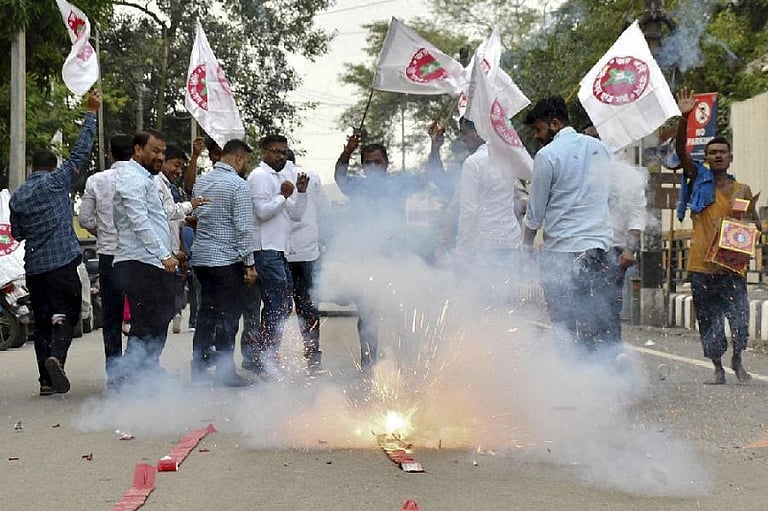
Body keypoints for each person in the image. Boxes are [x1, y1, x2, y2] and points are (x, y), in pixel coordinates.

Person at [10, 89, 101, 395]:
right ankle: (57, 358)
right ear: (51, 167)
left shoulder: (19, 196)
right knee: (68, 312)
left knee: (43, 322)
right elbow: (80, 153)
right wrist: (91, 113)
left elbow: (18, 234)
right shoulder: (57, 181)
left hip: (35, 270)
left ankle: (45, 381)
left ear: (31, 169)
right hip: (63, 265)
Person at [675, 88, 760, 384]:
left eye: (722, 152)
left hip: (732, 269)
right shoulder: (698, 180)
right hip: (701, 267)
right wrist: (685, 117)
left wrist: (747, 226)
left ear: (730, 157)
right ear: (707, 158)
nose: (718, 156)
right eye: (712, 153)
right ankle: (718, 368)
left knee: (739, 321)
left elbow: (756, 226)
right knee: (709, 322)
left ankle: (737, 360)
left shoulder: (742, 191)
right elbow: (681, 153)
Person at [522, 96, 615, 350]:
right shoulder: (601, 149)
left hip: (562, 254)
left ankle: (572, 378)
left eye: (538, 129)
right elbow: (612, 195)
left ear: (554, 124)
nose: (537, 136)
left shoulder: (547, 155)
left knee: (564, 325)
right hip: (599, 252)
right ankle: (603, 378)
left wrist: (527, 246)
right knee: (596, 322)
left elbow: (535, 213)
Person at [113, 129, 179, 380]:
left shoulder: (147, 179)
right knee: (146, 322)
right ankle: (130, 376)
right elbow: (139, 221)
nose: (160, 157)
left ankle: (147, 370)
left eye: (163, 152)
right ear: (138, 150)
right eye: (155, 151)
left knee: (160, 316)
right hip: (138, 262)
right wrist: (164, 255)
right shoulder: (131, 177)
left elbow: (160, 215)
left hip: (152, 262)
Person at [190, 139, 256, 386]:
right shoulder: (238, 186)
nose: (245, 166)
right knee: (229, 316)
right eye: (246, 161)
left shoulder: (202, 181)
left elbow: (195, 216)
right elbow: (243, 228)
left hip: (202, 260)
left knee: (206, 313)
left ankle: (199, 367)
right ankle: (225, 372)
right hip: (226, 261)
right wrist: (249, 264)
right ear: (238, 159)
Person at [247, 134, 308, 374]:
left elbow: (295, 215)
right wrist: (282, 195)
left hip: (280, 250)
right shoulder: (260, 177)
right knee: (275, 304)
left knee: (282, 305)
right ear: (264, 152)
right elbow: (262, 212)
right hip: (265, 249)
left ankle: (269, 356)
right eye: (275, 151)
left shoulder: (283, 177)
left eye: (284, 152)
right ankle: (265, 359)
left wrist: (300, 193)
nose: (281, 156)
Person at [583, 124, 646, 344]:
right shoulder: (578, 173)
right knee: (580, 306)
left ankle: (610, 357)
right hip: (580, 248)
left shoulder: (627, 175)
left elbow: (637, 214)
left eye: (597, 139)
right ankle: (581, 361)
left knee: (609, 307)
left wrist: (630, 248)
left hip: (614, 250)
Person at [78, 133, 132, 388]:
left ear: (110, 154)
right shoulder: (143, 179)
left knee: (111, 317)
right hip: (138, 256)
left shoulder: (96, 181)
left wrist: (103, 232)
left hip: (109, 255)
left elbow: (85, 219)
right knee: (141, 315)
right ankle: (139, 372)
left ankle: (115, 374)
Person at [454, 117, 526, 303]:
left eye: (464, 133)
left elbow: (468, 212)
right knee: (508, 303)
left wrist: (462, 253)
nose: (463, 139)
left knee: (485, 304)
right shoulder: (506, 158)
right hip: (510, 242)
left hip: (484, 247)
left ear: (477, 132)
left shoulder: (472, 163)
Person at [284, 149, 330, 372]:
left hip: (279, 252)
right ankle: (312, 356)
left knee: (277, 307)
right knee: (308, 306)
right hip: (307, 252)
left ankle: (269, 358)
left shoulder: (267, 178)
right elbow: (325, 210)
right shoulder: (312, 176)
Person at [154, 145, 207, 334]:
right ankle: (143, 361)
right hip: (158, 258)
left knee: (164, 310)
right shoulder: (155, 184)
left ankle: (150, 361)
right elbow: (164, 213)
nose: (178, 171)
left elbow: (172, 220)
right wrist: (190, 205)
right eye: (175, 165)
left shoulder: (169, 187)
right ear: (162, 162)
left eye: (181, 167)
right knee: (156, 314)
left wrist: (187, 221)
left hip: (172, 256)